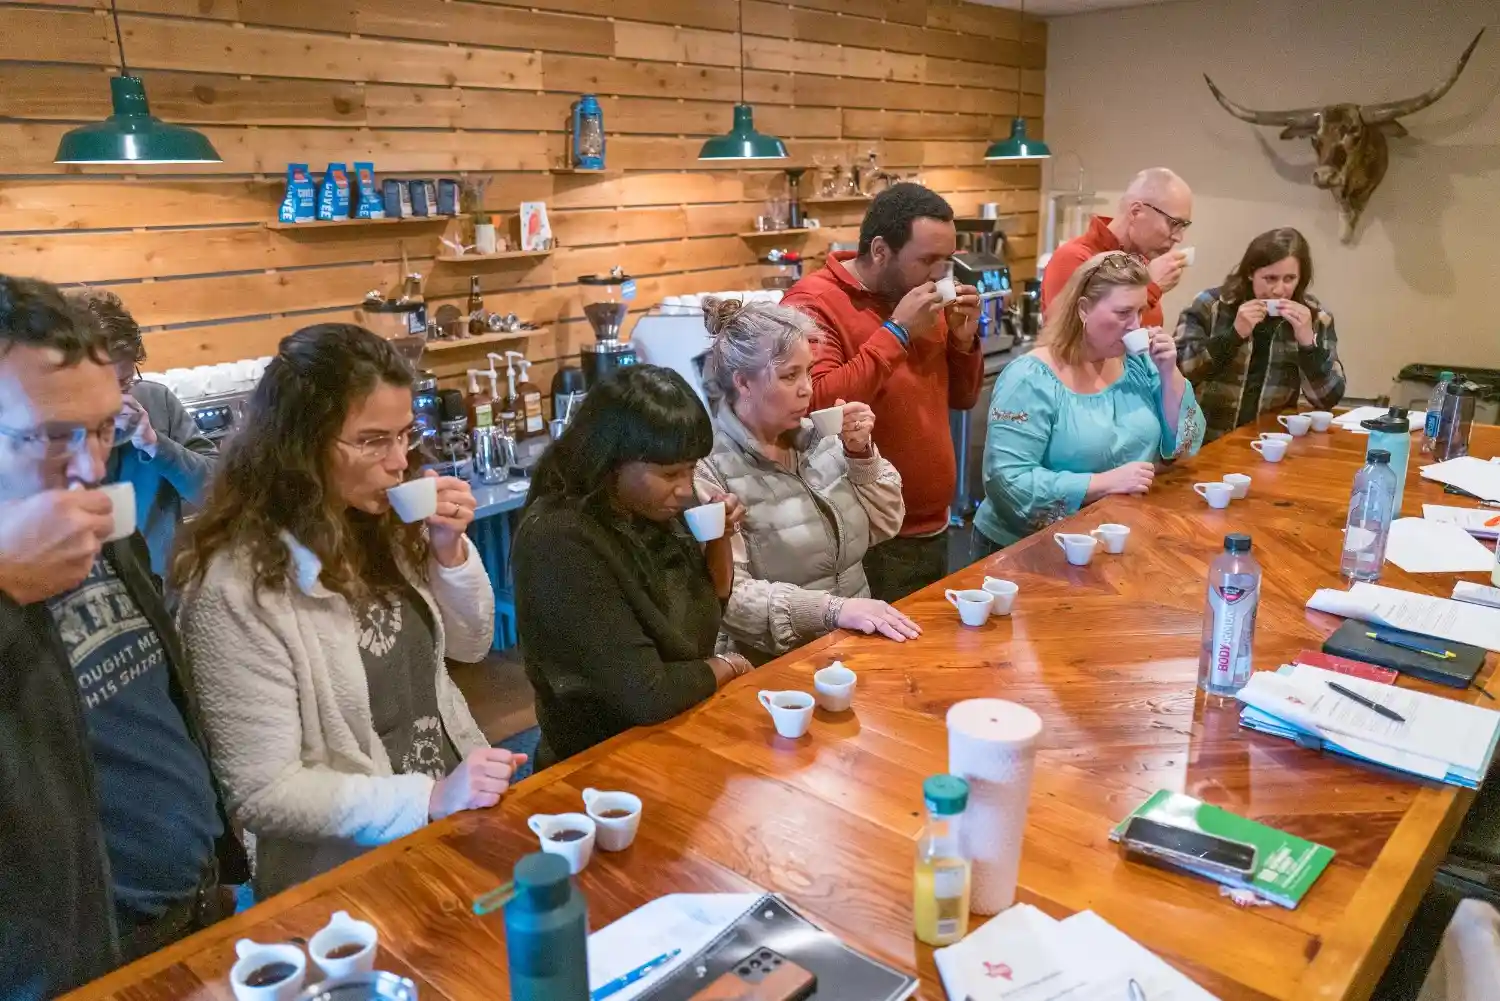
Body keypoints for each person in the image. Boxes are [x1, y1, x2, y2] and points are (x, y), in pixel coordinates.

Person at [174, 323, 515, 898]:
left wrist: (449, 550)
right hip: (349, 875)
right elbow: (263, 792)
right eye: (372, 440)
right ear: (299, 443)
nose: (398, 463)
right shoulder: (234, 584)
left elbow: (471, 644)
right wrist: (427, 798)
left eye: (405, 435)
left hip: (456, 819)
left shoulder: (382, 524)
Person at [0, 274, 246, 1000]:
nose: (92, 465)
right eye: (52, 435)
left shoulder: (87, 520)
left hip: (197, 904)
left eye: (104, 426)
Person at [512, 365, 755, 767]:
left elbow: (713, 604)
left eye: (691, 469)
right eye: (669, 473)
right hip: (597, 763)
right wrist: (726, 665)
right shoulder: (559, 538)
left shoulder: (650, 507)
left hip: (673, 734)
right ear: (611, 461)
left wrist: (719, 537)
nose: (685, 487)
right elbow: (646, 693)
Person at [781, 183, 984, 602]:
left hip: (932, 526)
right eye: (927, 260)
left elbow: (962, 400)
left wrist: (963, 344)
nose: (938, 275)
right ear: (879, 250)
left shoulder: (918, 299)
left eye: (946, 261)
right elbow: (816, 406)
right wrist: (897, 332)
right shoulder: (812, 302)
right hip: (865, 538)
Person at [692, 297, 920, 664]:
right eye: (788, 376)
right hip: (770, 668)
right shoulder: (710, 470)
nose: (807, 389)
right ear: (743, 383)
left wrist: (860, 454)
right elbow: (730, 596)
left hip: (852, 646)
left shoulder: (822, 438)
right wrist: (833, 611)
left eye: (809, 372)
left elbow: (887, 524)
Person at [974, 252, 1206, 551]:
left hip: (1112, 533)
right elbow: (1007, 482)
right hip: (1026, 548)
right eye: (1123, 313)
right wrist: (1104, 483)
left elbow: (1186, 446)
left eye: (1141, 311)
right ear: (1083, 309)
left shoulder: (1139, 364)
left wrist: (1169, 372)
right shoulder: (1030, 379)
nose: (1135, 326)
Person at [71, 289, 218, 576]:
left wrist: (156, 445)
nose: (114, 400)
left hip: (166, 594)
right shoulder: (42, 430)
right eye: (99, 386)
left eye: (125, 381)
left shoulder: (157, 401)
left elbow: (219, 496)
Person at [1173, 227, 1345, 442]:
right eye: (1270, 278)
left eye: (1289, 279)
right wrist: (1233, 336)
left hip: (1269, 442)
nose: (1279, 290)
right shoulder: (1211, 305)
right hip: (1203, 438)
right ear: (1250, 273)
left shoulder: (1315, 318)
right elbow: (1178, 372)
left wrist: (1308, 345)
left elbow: (1327, 399)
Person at [1041, 168, 1194, 329]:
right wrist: (1150, 288)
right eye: (1174, 223)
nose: (1178, 237)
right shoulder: (1074, 258)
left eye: (1183, 226)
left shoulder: (1139, 262)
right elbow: (1073, 342)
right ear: (1136, 212)